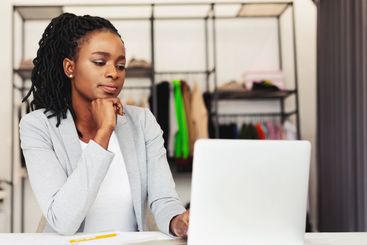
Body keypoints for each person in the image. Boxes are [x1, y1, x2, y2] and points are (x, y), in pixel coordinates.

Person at [19, 13, 189, 237]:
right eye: (100, 62)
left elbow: (163, 199)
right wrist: (104, 133)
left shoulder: (142, 122)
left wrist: (178, 222)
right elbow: (63, 220)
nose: (113, 73)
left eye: (120, 66)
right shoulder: (38, 126)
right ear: (70, 67)